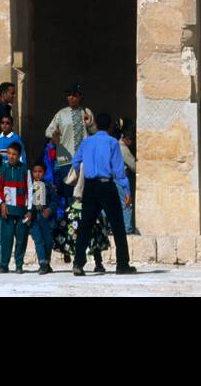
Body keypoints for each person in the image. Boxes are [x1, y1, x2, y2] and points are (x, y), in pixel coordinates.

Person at [67, 112, 134, 277]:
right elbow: (118, 170)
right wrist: (126, 191)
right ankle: (122, 263)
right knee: (118, 225)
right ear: (110, 126)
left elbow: (75, 162)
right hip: (106, 185)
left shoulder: (86, 142)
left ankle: (78, 263)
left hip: (90, 187)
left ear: (96, 123)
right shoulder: (112, 142)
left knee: (85, 226)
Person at [45, 84, 96, 205]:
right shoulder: (61, 114)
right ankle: (69, 218)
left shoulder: (86, 112)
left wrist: (89, 124)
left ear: (80, 97)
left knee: (82, 192)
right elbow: (47, 131)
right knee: (67, 192)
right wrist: (55, 133)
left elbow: (95, 132)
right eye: (69, 95)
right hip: (66, 157)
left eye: (74, 95)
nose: (71, 98)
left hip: (83, 158)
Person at [0, 141, 33, 273]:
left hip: (22, 210)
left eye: (14, 154)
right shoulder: (3, 169)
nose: (11, 156)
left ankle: (19, 265)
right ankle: (4, 264)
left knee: (21, 239)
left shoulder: (25, 169)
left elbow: (30, 189)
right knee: (6, 238)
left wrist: (29, 210)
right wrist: (2, 204)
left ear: (19, 155)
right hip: (7, 211)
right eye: (9, 154)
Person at [29, 161, 56, 274]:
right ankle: (43, 263)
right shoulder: (29, 186)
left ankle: (47, 262)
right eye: (35, 172)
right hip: (34, 217)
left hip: (46, 218)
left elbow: (55, 201)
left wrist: (49, 209)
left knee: (48, 241)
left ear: (44, 173)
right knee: (38, 240)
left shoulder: (48, 186)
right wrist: (28, 212)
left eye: (40, 172)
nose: (37, 174)